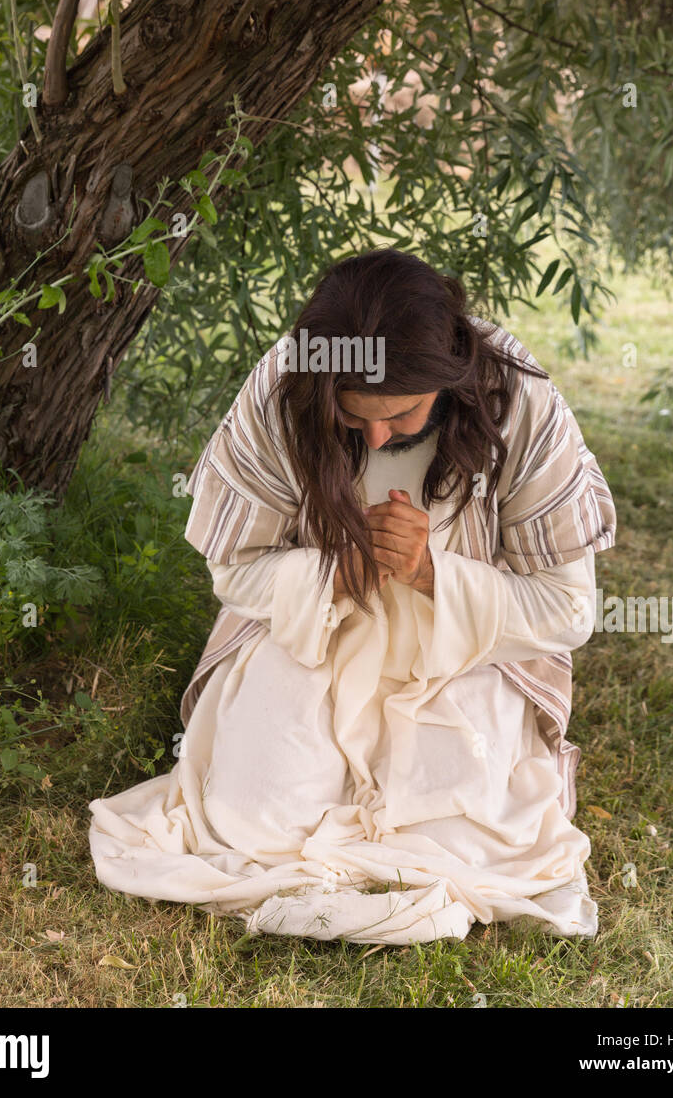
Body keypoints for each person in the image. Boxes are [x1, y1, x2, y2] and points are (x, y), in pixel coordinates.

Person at [89, 249, 617, 944]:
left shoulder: (517, 398)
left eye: (398, 417)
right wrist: (333, 573)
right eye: (354, 416)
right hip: (315, 633)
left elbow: (569, 611)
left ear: (449, 378)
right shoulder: (287, 384)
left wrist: (432, 573)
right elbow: (234, 571)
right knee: (254, 818)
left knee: (464, 837)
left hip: (462, 657)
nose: (374, 436)